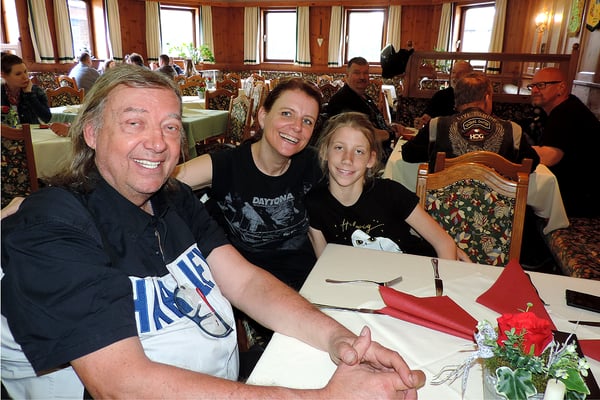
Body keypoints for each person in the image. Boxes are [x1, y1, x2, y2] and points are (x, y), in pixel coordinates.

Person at [0, 65, 425, 399]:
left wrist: (340, 340)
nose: (157, 142)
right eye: (134, 123)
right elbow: (120, 384)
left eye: (170, 126)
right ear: (92, 133)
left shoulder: (173, 199)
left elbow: (246, 283)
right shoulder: (55, 224)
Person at [174, 78, 324, 291]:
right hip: (249, 286)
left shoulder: (313, 162)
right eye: (286, 113)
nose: (297, 127)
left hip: (306, 279)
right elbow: (161, 181)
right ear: (263, 116)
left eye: (307, 121)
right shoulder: (227, 164)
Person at [305, 112, 471, 262]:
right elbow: (324, 264)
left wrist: (443, 281)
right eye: (339, 148)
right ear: (324, 151)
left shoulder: (391, 193)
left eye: (359, 151)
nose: (347, 159)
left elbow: (444, 243)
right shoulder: (315, 203)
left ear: (371, 159)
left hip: (415, 270)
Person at [401, 72, 540, 172]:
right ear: (487, 98)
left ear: (456, 100)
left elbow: (408, 154)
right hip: (497, 204)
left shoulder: (437, 126)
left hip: (445, 204)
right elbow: (532, 163)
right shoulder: (512, 130)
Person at [528, 67, 600, 218]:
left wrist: (516, 150)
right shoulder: (560, 109)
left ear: (561, 88)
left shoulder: (566, 113)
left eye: (541, 85)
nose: (534, 90)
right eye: (532, 86)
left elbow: (550, 156)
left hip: (583, 200)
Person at [326, 57, 407, 158]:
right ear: (347, 76)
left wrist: (391, 126)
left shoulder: (364, 97)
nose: (362, 77)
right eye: (357, 73)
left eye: (365, 73)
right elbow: (363, 134)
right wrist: (391, 133)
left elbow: (373, 121)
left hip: (379, 153)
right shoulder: (343, 100)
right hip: (361, 159)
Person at [413, 61, 473, 128]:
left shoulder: (474, 97)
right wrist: (421, 121)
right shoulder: (441, 96)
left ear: (470, 76)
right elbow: (426, 118)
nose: (455, 76)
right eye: (453, 72)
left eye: (461, 73)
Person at [0, 53, 51, 124]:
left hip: (31, 131)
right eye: (18, 74)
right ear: (3, 75)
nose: (25, 77)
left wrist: (29, 95)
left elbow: (47, 118)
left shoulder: (36, 91)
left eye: (25, 71)